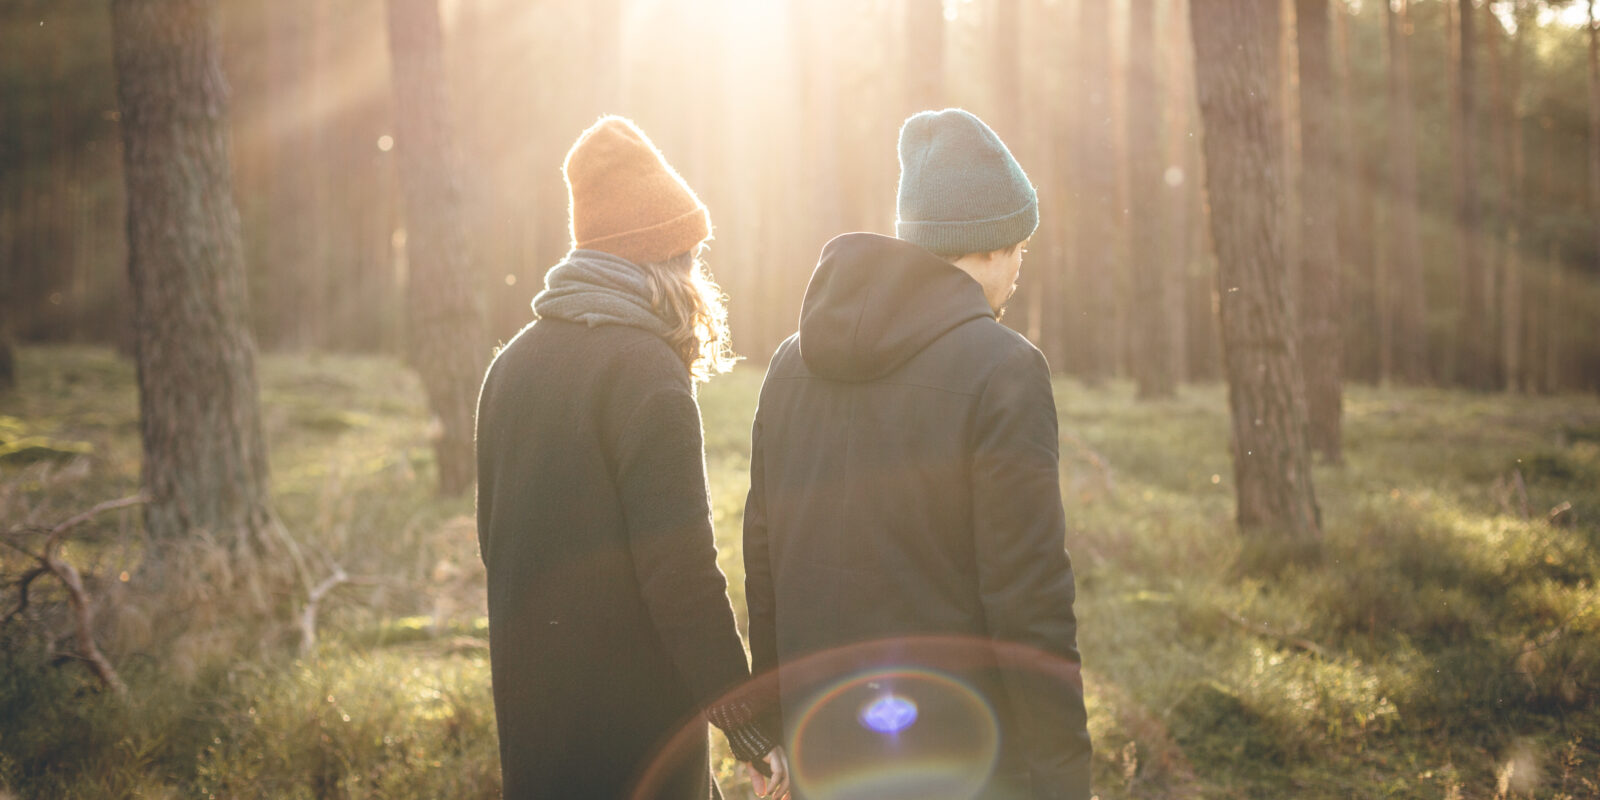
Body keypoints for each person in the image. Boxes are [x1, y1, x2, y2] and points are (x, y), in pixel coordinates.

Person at [742, 109, 1091, 799]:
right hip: (963, 755)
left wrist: (774, 722)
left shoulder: (789, 363)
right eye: (1019, 245)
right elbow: (1029, 599)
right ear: (985, 244)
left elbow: (765, 562)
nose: (1022, 265)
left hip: (823, 747)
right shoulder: (1005, 371)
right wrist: (1063, 779)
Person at [476, 116, 788, 800]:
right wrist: (749, 727)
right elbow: (680, 577)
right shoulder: (645, 373)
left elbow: (495, 545)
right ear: (662, 259)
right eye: (689, 254)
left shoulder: (510, 367)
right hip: (636, 738)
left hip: (533, 726)